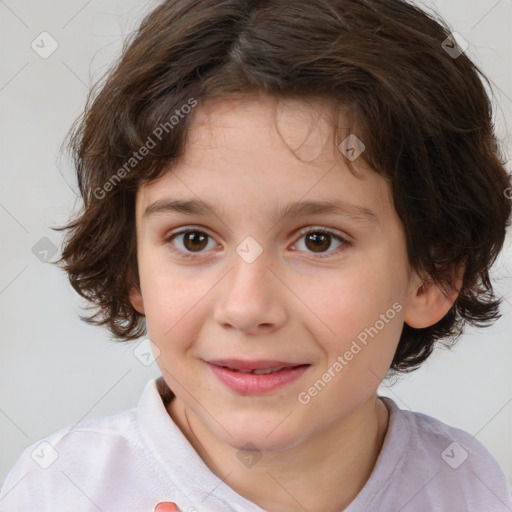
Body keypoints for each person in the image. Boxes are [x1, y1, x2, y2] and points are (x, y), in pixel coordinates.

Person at [1, 0, 511, 511]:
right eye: (194, 239)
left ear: (431, 277)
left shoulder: (465, 484)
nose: (246, 309)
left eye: (318, 240)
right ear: (132, 267)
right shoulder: (59, 490)